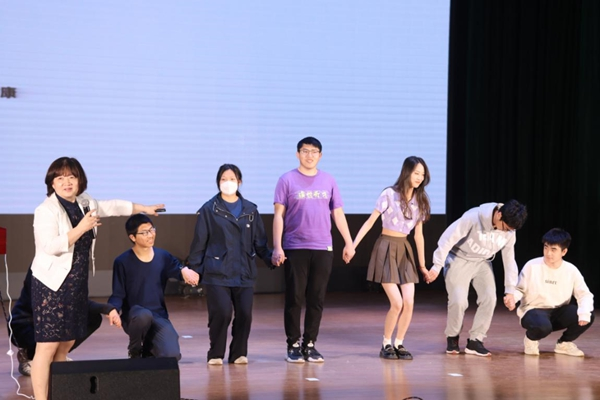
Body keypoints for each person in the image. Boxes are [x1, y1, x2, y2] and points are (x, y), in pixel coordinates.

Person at [29, 156, 164, 400]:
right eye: (60, 178)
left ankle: (58, 395)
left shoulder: (85, 202)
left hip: (76, 284)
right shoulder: (45, 210)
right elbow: (50, 246)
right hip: (51, 286)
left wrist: (143, 208)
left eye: (72, 177)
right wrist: (82, 227)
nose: (67, 182)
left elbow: (112, 206)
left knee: (65, 344)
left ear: (80, 180)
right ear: (52, 183)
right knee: (47, 347)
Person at [272, 137, 355, 363]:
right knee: (295, 297)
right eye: (305, 151)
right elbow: (278, 215)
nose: (309, 155)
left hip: (322, 247)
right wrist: (278, 246)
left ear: (320, 155)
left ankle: (310, 343)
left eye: (314, 151)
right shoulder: (286, 180)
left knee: (316, 298)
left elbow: (338, 213)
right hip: (295, 246)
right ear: (297, 154)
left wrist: (349, 242)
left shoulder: (329, 180)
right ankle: (293, 344)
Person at [188, 164, 272, 365]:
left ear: (239, 182)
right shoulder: (209, 209)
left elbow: (260, 242)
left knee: (245, 314)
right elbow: (199, 242)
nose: (228, 183)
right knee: (222, 313)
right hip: (217, 271)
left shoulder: (250, 210)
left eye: (232, 179)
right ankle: (216, 353)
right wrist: (194, 270)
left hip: (244, 271)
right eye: (223, 179)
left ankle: (238, 353)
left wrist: (271, 258)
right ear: (218, 182)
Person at [351, 156, 431, 360]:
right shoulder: (389, 194)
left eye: (422, 174)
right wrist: (352, 245)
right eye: (416, 173)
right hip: (385, 248)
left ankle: (399, 343)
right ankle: (386, 343)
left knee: (409, 302)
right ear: (407, 172)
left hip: (405, 250)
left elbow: (419, 236)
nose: (419, 178)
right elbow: (370, 222)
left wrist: (422, 265)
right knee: (397, 303)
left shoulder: (421, 200)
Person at [426, 200, 528, 357]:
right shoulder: (473, 217)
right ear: (498, 215)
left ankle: (475, 340)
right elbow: (448, 238)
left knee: (490, 298)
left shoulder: (510, 231)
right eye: (505, 228)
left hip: (482, 262)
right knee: (459, 301)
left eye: (510, 230)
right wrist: (437, 265)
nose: (507, 232)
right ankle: (452, 336)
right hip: (459, 258)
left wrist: (510, 290)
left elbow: (509, 259)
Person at [107, 214, 199, 359]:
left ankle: (148, 351)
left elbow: (178, 269)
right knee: (143, 315)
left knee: (172, 355)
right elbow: (118, 294)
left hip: (158, 315)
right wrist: (112, 309)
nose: (150, 235)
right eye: (144, 232)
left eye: (152, 230)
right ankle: (135, 350)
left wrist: (186, 271)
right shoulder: (122, 261)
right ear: (133, 237)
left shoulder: (163, 256)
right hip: (134, 316)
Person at [8, 268, 115, 376]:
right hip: (24, 325)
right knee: (60, 319)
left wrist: (107, 309)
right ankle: (31, 355)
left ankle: (57, 354)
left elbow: (78, 301)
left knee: (92, 318)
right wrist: (105, 308)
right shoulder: (42, 267)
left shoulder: (69, 267)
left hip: (49, 320)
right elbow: (66, 300)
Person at [514, 228, 594, 357]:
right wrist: (513, 298)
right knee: (543, 326)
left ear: (564, 251)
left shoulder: (571, 270)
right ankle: (531, 339)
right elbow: (519, 289)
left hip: (558, 311)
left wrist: (584, 313)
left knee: (588, 315)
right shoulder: (532, 265)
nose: (548, 253)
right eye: (546, 248)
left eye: (553, 249)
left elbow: (584, 294)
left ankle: (564, 344)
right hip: (533, 310)